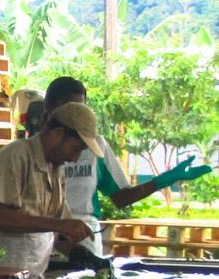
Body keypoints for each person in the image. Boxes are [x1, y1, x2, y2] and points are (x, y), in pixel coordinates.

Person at [43, 76, 213, 267]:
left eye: (81, 108)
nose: (75, 115)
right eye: (68, 107)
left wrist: (163, 180)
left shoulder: (95, 146)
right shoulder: (31, 151)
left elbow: (121, 197)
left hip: (84, 238)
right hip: (43, 239)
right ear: (49, 108)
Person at [0, 102, 101, 278]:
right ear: (59, 134)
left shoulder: (57, 170)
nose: (74, 159)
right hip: (1, 276)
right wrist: (58, 225)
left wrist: (84, 256)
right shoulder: (15, 156)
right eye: (76, 149)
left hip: (35, 277)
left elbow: (59, 234)